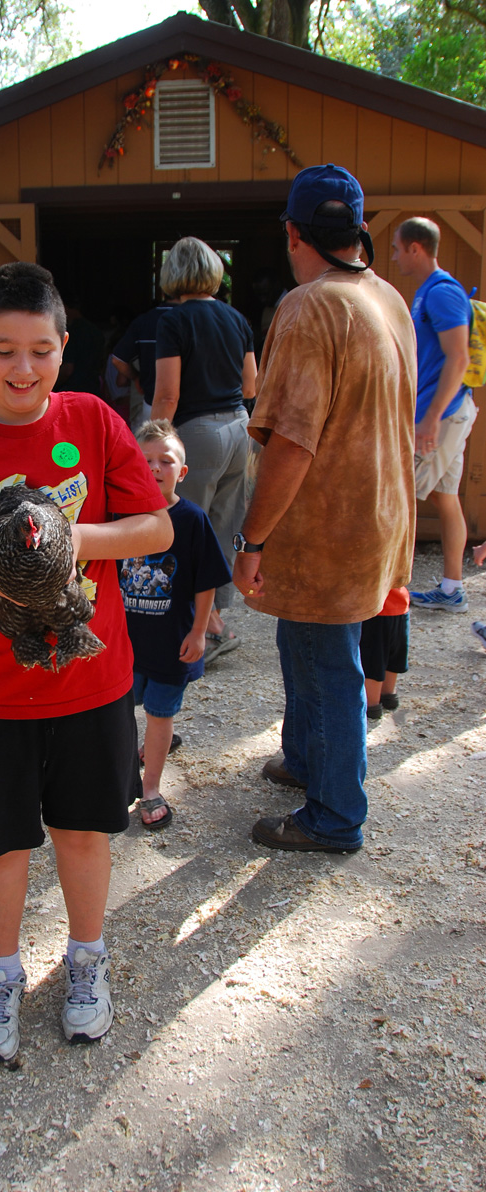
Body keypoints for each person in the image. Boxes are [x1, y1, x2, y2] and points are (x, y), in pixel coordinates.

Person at [0, 262, 171, 1062]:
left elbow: (154, 528)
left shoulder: (92, 420)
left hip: (90, 684)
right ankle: (0, 971)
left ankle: (85, 960)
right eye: (4, 350)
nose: (23, 369)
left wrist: (68, 541)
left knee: (84, 834)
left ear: (63, 350)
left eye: (41, 351)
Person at [232, 163, 416, 854]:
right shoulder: (387, 298)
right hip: (378, 516)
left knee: (326, 661)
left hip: (325, 530)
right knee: (303, 644)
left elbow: (291, 443)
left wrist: (252, 537)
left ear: (292, 232)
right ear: (359, 231)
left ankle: (335, 814)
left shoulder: (308, 305)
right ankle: (305, 760)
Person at [122, 420, 230, 830]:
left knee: (160, 714)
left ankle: (150, 789)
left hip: (172, 643)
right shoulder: (119, 514)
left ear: (181, 472)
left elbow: (206, 582)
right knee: (120, 713)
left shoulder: (192, 519)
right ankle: (124, 774)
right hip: (126, 644)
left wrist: (200, 631)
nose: (154, 467)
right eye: (145, 459)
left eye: (165, 461)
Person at [151, 238, 256, 660]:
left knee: (184, 528)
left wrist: (153, 440)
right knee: (223, 528)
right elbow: (252, 385)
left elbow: (168, 394)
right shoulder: (236, 318)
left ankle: (204, 625)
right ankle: (215, 620)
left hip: (198, 432)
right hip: (238, 426)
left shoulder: (174, 321)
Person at [391, 218, 476, 613]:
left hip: (440, 416)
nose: (393, 256)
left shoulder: (442, 293)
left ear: (415, 248)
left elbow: (458, 357)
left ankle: (390, 594)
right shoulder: (429, 292)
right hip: (445, 413)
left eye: (396, 248)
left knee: (401, 498)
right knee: (446, 499)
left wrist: (431, 418)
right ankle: (452, 588)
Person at [360, 587, 410, 721]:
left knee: (372, 660)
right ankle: (389, 695)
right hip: (399, 603)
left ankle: (372, 705)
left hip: (374, 608)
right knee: (392, 654)